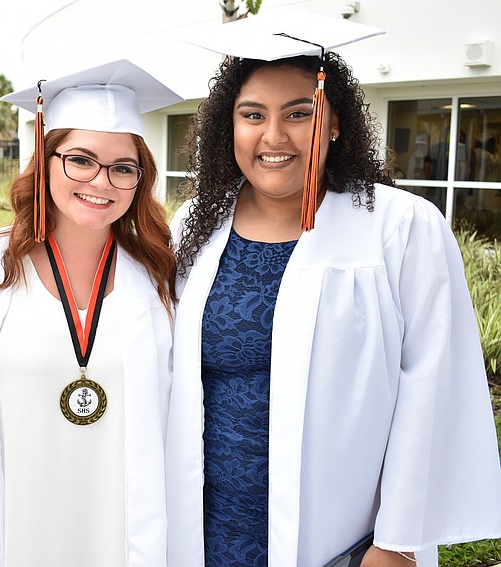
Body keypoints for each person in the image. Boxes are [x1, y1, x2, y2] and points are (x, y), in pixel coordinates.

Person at [167, 11, 501, 567]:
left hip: (343, 539)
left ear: (336, 123)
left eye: (299, 113)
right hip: (207, 530)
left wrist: (397, 542)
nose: (274, 136)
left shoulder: (399, 227)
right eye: (253, 114)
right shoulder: (196, 226)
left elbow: (433, 383)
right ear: (231, 126)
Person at [0, 60, 182, 567]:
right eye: (80, 160)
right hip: (19, 527)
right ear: (46, 160)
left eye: (123, 167)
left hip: (122, 532)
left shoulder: (159, 274)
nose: (102, 181)